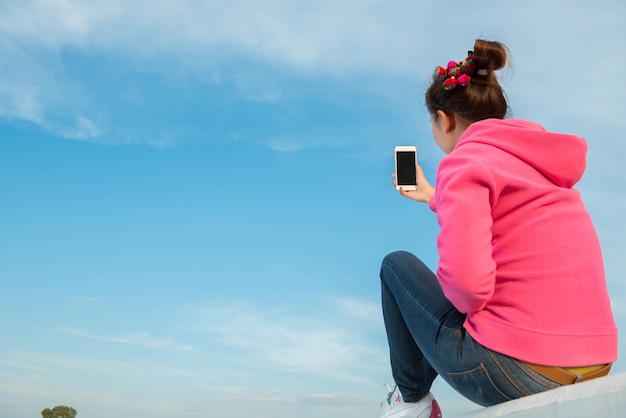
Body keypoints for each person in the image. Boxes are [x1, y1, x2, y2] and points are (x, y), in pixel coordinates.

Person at [379, 39, 618, 418]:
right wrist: (431, 196)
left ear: (445, 120)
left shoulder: (463, 162)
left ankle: (411, 403)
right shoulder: (542, 167)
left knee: (396, 265)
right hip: (595, 365)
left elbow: (468, 291)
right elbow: (507, 209)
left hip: (519, 370)